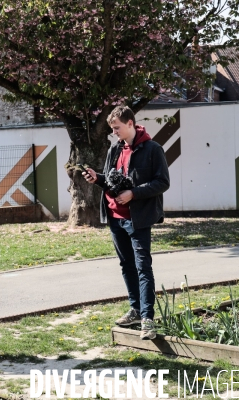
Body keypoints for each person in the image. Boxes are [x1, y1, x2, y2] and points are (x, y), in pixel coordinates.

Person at [82, 106, 170, 340]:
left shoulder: (153, 149)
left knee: (143, 267)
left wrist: (134, 193)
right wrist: (96, 178)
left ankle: (147, 319)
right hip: (115, 218)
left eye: (117, 128)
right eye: (112, 129)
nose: (114, 133)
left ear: (130, 123)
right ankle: (135, 309)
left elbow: (162, 182)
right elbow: (110, 181)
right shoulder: (115, 149)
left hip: (138, 219)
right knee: (126, 265)